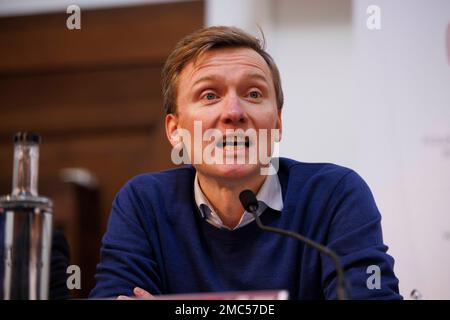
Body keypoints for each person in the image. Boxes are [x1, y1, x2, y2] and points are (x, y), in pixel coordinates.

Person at [89, 26, 401, 300]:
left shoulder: (335, 195)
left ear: (277, 122)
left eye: (253, 93)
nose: (234, 112)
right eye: (209, 96)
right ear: (175, 130)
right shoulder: (144, 203)